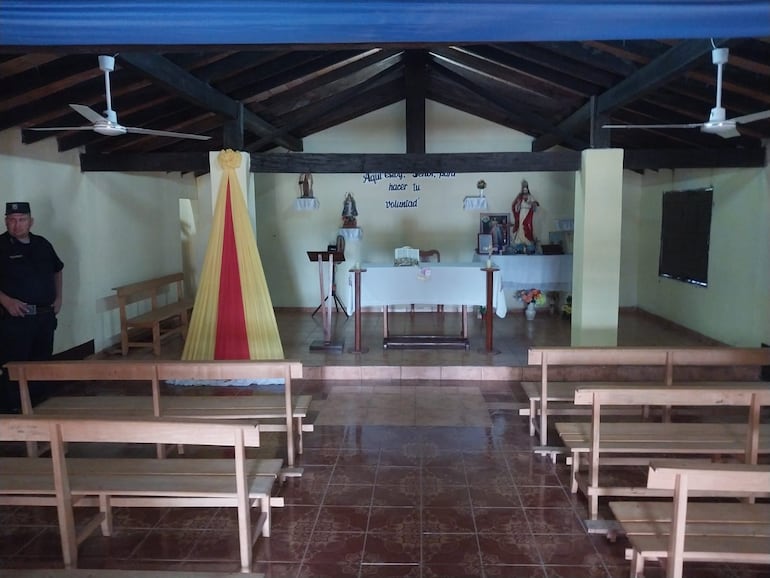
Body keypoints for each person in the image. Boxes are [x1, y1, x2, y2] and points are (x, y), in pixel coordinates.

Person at [0, 202, 63, 413]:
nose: (16, 225)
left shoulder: (42, 244)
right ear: (6, 221)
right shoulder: (1, 246)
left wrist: (58, 297)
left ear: (31, 221)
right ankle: (13, 412)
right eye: (12, 220)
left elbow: (57, 270)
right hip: (16, 320)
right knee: (15, 367)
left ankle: (39, 408)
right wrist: (6, 301)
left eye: (22, 220)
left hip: (44, 317)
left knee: (41, 363)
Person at [511, 179, 539, 253]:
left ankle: (529, 244)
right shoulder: (520, 196)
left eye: (526, 189)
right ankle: (519, 244)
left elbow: (535, 204)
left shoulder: (530, 196)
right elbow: (515, 205)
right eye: (524, 189)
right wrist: (518, 206)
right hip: (521, 213)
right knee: (520, 227)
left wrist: (529, 202)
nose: (525, 191)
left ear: (527, 189)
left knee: (527, 227)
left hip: (528, 213)